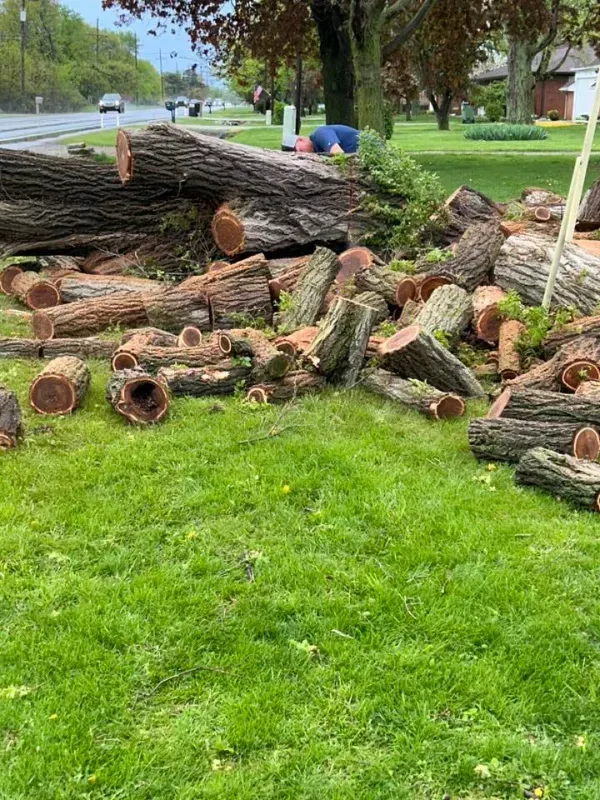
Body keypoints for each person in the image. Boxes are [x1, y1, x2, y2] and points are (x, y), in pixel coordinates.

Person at [294, 124, 359, 155]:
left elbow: (338, 153)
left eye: (300, 150)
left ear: (300, 139)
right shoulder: (317, 150)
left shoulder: (320, 133)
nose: (301, 154)